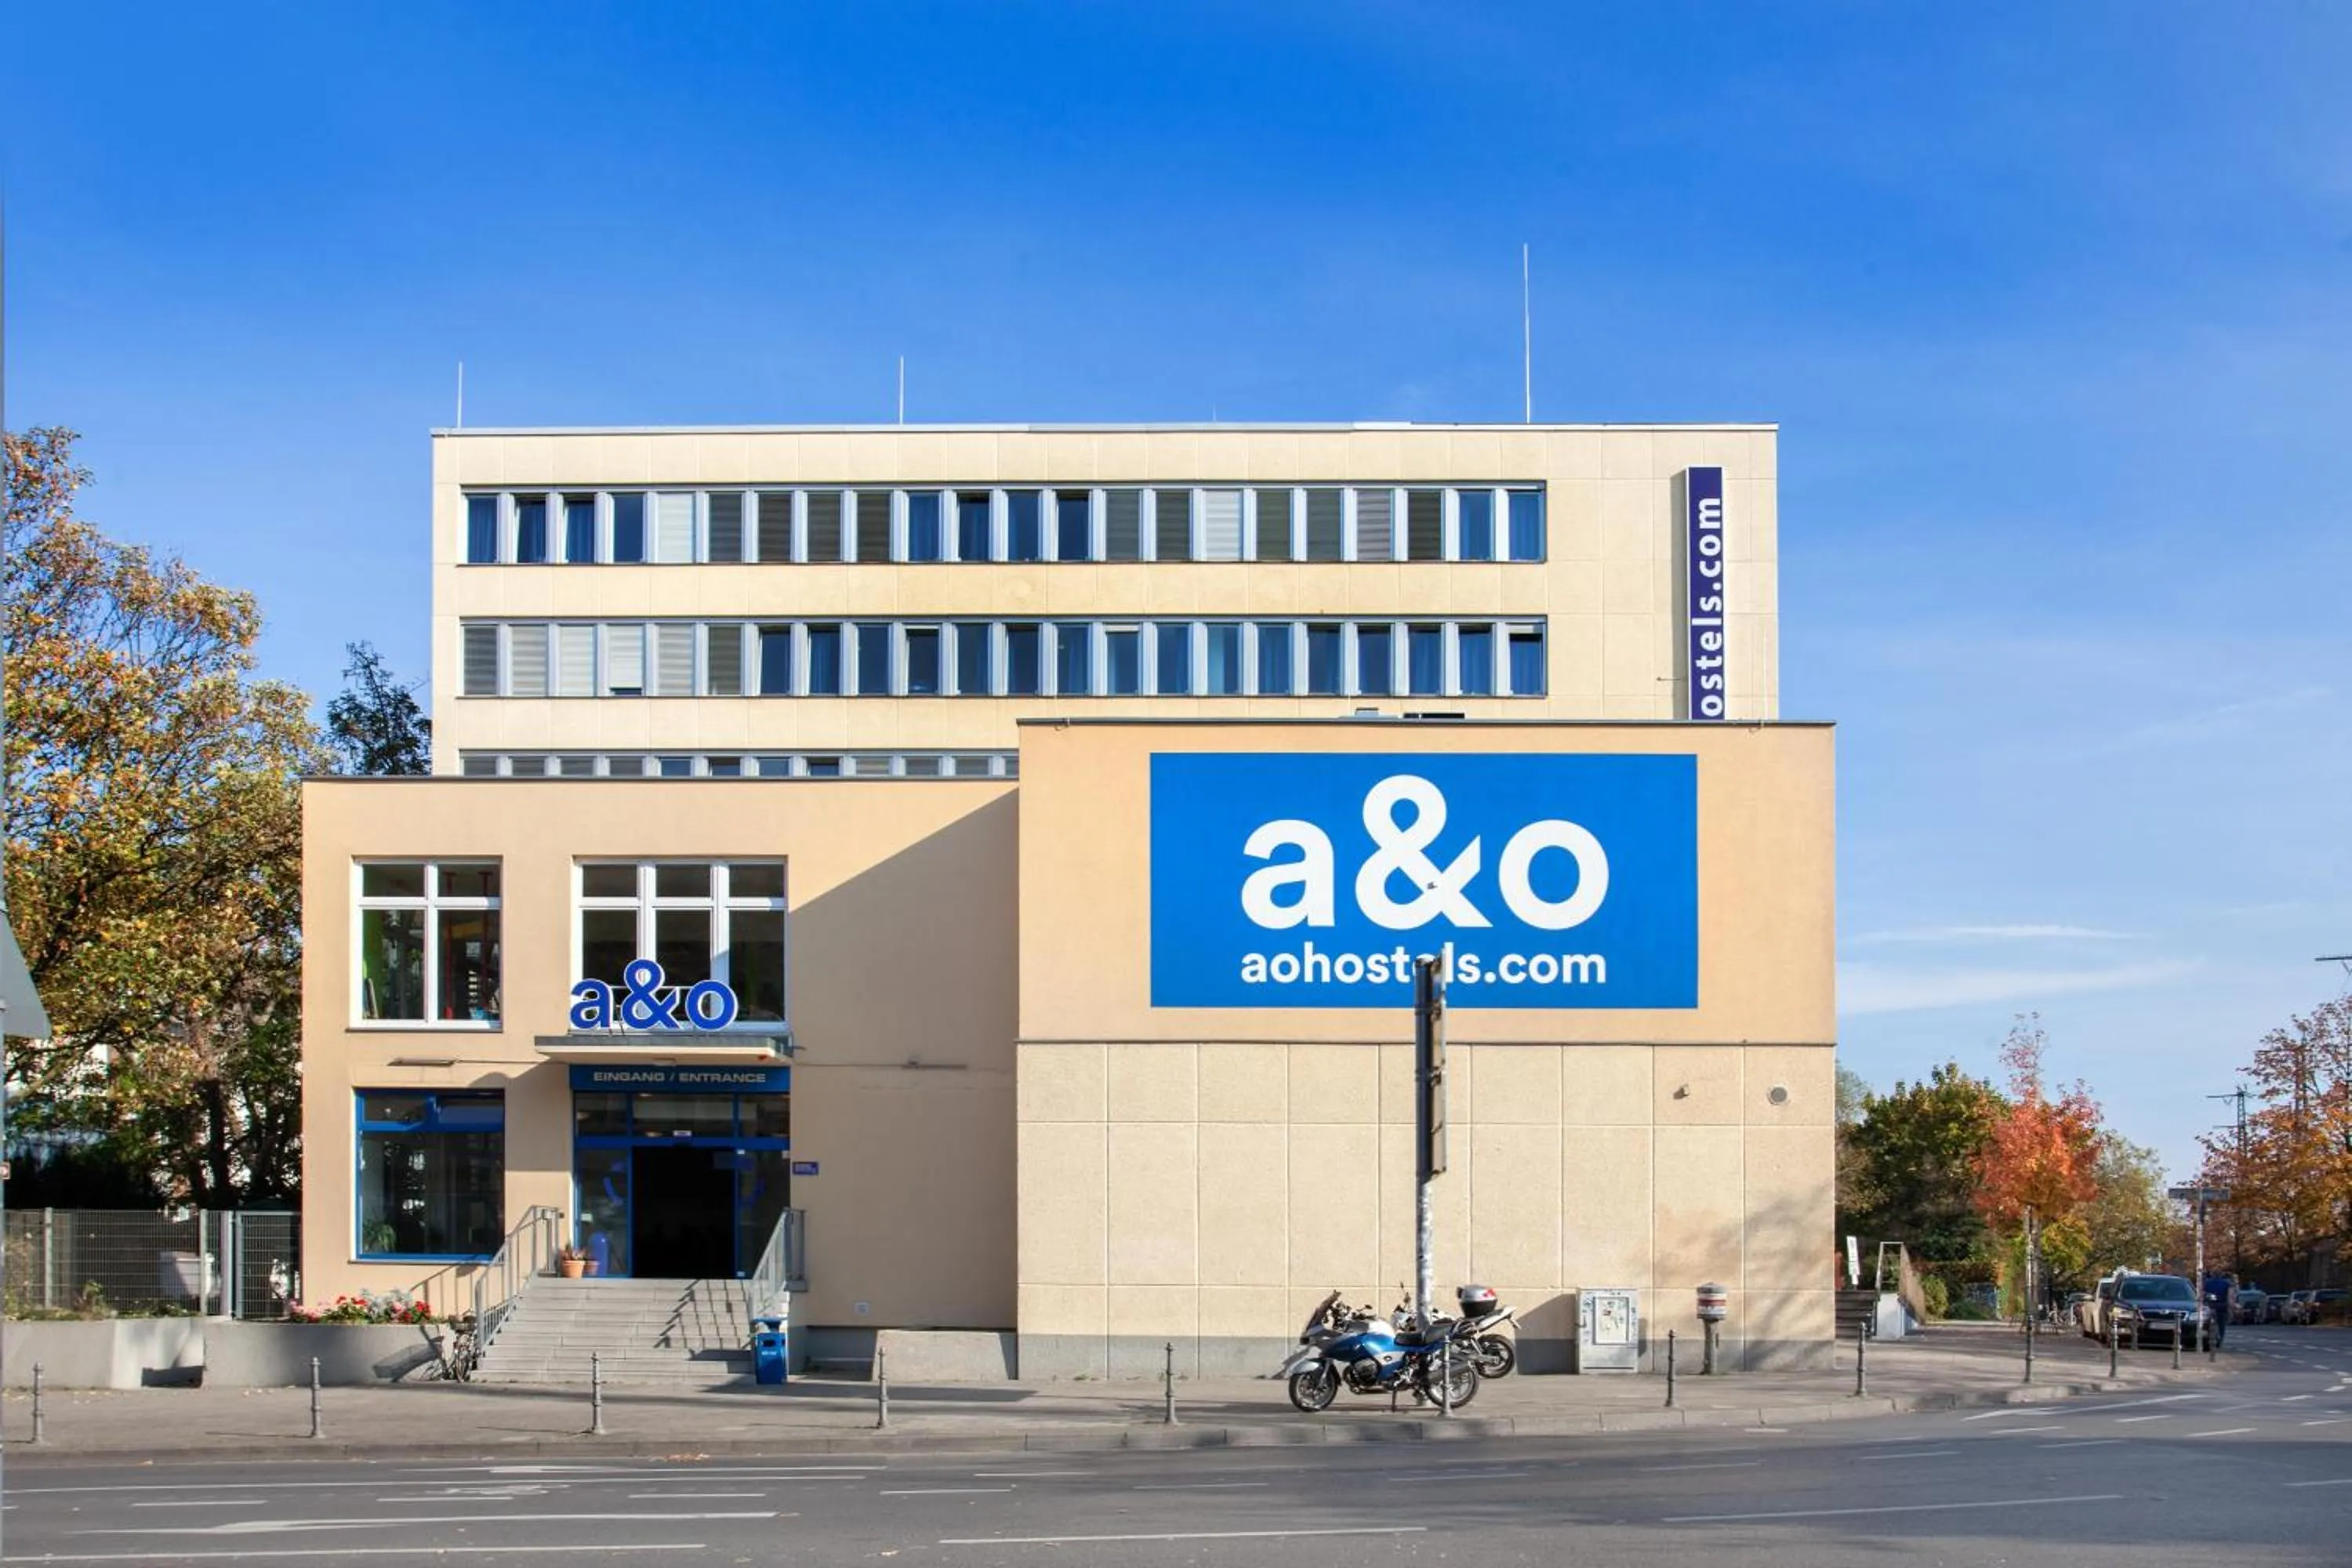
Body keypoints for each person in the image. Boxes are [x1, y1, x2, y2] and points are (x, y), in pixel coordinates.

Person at [2202, 1272, 2232, 1349]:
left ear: (2212, 1275)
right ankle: (2220, 1340)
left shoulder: (2207, 1283)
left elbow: (2204, 1294)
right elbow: (2229, 1296)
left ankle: (2211, 1339)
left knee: (2209, 1325)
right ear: (2221, 1275)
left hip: (2210, 1306)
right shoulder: (2226, 1283)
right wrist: (2230, 1308)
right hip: (2223, 1306)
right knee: (2222, 1326)